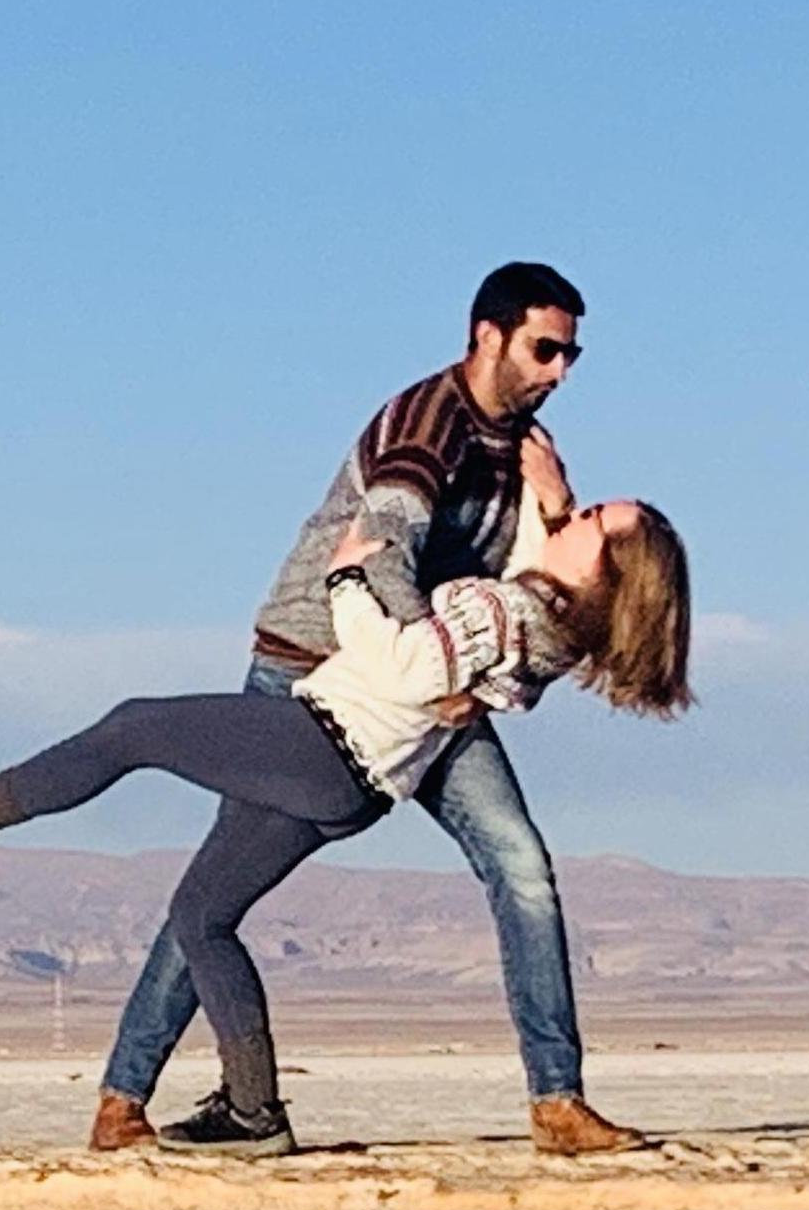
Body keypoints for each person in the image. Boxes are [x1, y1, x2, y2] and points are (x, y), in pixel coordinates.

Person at [0, 490, 691, 1152]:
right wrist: (552, 498)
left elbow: (400, 666)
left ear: (606, 574)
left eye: (592, 522)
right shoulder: (547, 645)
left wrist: (344, 580)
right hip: (356, 789)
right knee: (202, 918)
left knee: (132, 728)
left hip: (316, 745)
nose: (571, 515)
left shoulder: (498, 611)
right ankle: (255, 1110)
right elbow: (518, 602)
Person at [106, 265, 654, 1158]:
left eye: (571, 355)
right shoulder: (422, 423)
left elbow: (547, 601)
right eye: (546, 349)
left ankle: (558, 1103)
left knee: (520, 864)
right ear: (489, 336)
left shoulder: (529, 454)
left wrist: (554, 504)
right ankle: (123, 1098)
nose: (560, 370)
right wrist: (416, 662)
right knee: (217, 892)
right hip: (317, 672)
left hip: (431, 691)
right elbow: (386, 544)